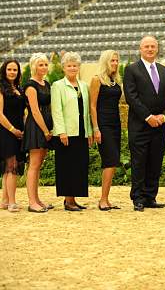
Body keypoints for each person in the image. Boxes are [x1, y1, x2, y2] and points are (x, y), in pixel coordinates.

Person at [123, 36, 165, 211]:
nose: (150, 49)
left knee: (155, 161)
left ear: (157, 48)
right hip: (140, 125)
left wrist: (164, 117)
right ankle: (138, 198)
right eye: (146, 46)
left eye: (153, 46)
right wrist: (148, 117)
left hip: (160, 126)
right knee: (139, 162)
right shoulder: (132, 70)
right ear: (140, 49)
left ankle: (150, 196)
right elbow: (132, 97)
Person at [51, 52, 93, 211]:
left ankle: (73, 199)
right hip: (66, 133)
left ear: (79, 67)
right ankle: (68, 201)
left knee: (79, 166)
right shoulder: (57, 86)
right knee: (66, 166)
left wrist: (88, 131)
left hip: (81, 132)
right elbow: (57, 110)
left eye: (75, 65)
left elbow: (86, 111)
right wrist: (61, 131)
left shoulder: (83, 85)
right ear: (63, 68)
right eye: (69, 65)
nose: (72, 68)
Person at [90, 50, 123, 211]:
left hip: (115, 124)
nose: (115, 63)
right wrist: (95, 128)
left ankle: (106, 199)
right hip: (103, 125)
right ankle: (102, 200)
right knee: (110, 160)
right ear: (105, 62)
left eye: (117, 61)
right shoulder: (97, 80)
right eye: (112, 61)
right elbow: (92, 106)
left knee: (113, 162)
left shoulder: (114, 80)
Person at [0, 59, 26, 213]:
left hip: (19, 131)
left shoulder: (19, 89)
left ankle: (4, 200)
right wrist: (13, 130)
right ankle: (12, 202)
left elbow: (22, 112)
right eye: (9, 69)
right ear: (4, 71)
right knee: (11, 166)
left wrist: (24, 129)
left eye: (15, 70)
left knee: (10, 167)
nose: (12, 72)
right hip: (8, 132)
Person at [22, 53, 54, 213]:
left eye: (46, 64)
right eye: (40, 64)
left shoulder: (46, 83)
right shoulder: (30, 86)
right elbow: (34, 111)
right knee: (34, 165)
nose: (44, 67)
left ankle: (38, 199)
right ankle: (31, 202)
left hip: (46, 126)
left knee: (39, 164)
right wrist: (45, 130)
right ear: (34, 66)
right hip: (36, 127)